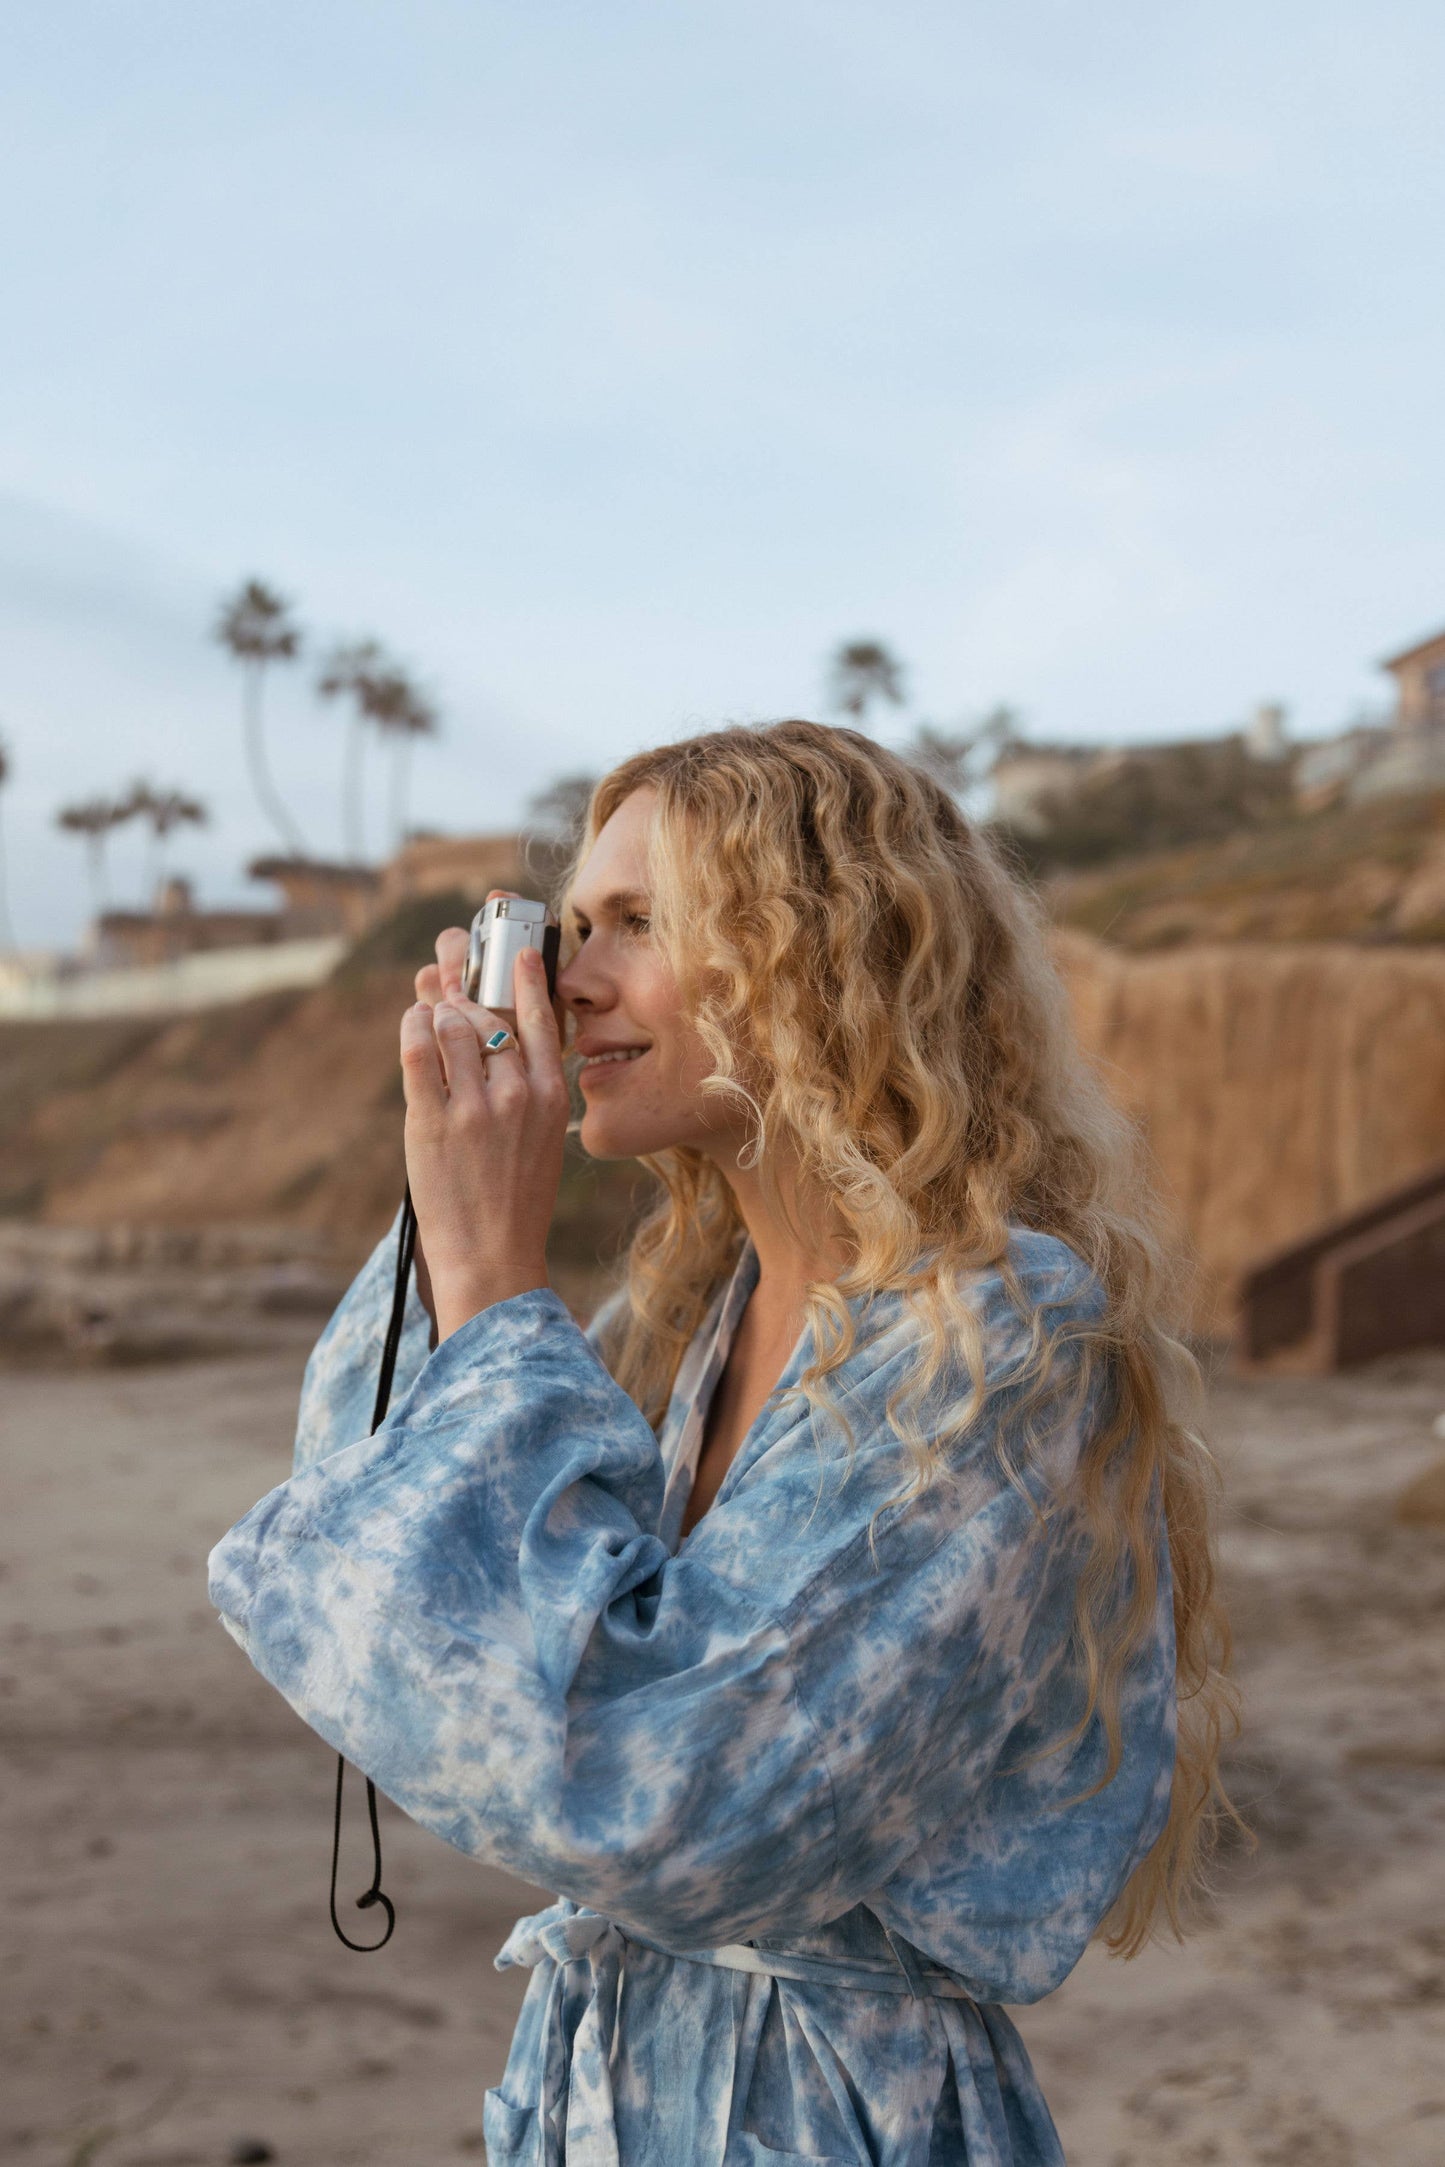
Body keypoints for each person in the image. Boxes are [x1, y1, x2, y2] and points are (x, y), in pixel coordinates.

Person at [209, 720, 1235, 2166]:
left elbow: (671, 1798)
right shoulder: (696, 1312)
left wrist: (502, 1283)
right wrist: (447, 1233)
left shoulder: (994, 1329)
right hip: (606, 2089)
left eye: (639, 923)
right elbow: (373, 1557)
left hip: (819, 2114)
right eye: (564, 929)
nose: (569, 980)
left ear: (821, 957)